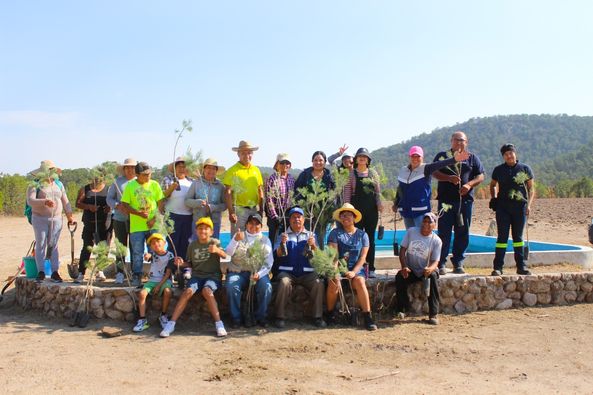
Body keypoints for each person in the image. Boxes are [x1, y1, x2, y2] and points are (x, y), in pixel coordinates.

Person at [160, 217, 228, 338]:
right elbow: (190, 264)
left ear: (211, 231)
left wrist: (217, 250)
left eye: (206, 229)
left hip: (213, 276)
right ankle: (171, 323)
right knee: (188, 292)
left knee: (207, 291)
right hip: (197, 276)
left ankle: (219, 323)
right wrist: (181, 263)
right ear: (196, 231)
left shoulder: (215, 242)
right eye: (200, 228)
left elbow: (224, 255)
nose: (203, 231)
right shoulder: (192, 245)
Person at [432, 131, 485, 275]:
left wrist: (469, 185)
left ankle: (458, 262)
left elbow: (481, 175)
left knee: (463, 232)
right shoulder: (442, 156)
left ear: (466, 143)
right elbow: (434, 172)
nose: (459, 143)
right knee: (444, 233)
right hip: (446, 202)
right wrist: (449, 178)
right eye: (457, 140)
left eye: (462, 140)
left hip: (465, 202)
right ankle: (440, 263)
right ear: (451, 141)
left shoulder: (472, 158)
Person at [326, 203, 377, 331]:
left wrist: (354, 272)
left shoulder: (362, 235)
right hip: (339, 268)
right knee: (333, 281)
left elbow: (363, 257)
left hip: (356, 269)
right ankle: (330, 314)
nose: (345, 218)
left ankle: (367, 317)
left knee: (360, 281)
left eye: (348, 215)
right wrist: (335, 271)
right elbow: (334, 256)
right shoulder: (335, 233)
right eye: (343, 215)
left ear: (354, 218)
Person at [273, 206, 326, 329]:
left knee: (318, 283)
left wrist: (313, 246)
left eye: (299, 217)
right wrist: (282, 243)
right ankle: (279, 316)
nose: (296, 219)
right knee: (284, 283)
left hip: (307, 273)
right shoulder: (283, 235)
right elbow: (278, 254)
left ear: (303, 219)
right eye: (293, 217)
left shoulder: (311, 235)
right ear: (289, 220)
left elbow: (318, 256)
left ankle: (317, 317)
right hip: (287, 272)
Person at [395, 146, 469, 229]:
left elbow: (439, 164)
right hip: (406, 211)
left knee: (422, 237)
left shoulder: (426, 168)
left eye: (418, 156)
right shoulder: (403, 170)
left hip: (421, 212)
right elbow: (400, 188)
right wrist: (396, 203)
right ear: (409, 157)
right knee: (411, 236)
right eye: (413, 156)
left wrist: (454, 159)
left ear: (422, 157)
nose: (415, 159)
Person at [489, 144, 535, 276]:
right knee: (502, 238)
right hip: (503, 208)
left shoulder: (525, 169)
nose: (509, 156)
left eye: (511, 153)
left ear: (515, 153)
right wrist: (494, 198)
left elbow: (531, 189)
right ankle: (498, 267)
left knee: (518, 238)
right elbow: (492, 185)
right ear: (503, 156)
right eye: (506, 154)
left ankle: (521, 266)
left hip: (520, 208)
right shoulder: (498, 170)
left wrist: (529, 205)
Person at [26, 160, 75, 282]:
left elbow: (65, 201)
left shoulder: (59, 184)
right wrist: (44, 202)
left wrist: (70, 216)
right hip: (40, 218)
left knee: (53, 244)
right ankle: (41, 271)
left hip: (57, 218)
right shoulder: (34, 184)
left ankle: (55, 272)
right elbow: (30, 201)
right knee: (41, 243)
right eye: (49, 170)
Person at [120, 162, 165, 286]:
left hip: (153, 224)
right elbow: (125, 204)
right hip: (137, 226)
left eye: (149, 174)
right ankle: (137, 276)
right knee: (137, 252)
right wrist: (138, 213)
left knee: (156, 250)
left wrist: (154, 219)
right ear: (137, 174)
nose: (148, 176)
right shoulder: (130, 186)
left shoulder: (155, 185)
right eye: (145, 175)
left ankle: (157, 274)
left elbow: (161, 203)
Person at [225, 213, 273, 328]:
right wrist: (235, 240)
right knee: (231, 286)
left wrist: (259, 274)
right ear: (246, 224)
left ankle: (260, 316)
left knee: (266, 287)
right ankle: (236, 318)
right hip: (238, 271)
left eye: (257, 224)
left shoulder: (265, 240)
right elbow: (228, 253)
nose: (254, 226)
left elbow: (269, 262)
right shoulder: (239, 235)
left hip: (257, 273)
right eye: (251, 223)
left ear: (261, 226)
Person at [395, 212, 442, 325]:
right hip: (411, 269)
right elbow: (402, 250)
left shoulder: (436, 240)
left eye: (429, 222)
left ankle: (433, 314)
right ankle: (402, 309)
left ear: (434, 225)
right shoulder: (412, 231)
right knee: (399, 277)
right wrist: (404, 266)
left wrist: (430, 269)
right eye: (424, 221)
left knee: (434, 277)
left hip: (425, 271)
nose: (426, 224)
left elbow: (436, 261)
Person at [343, 148, 383, 278]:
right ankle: (356, 268)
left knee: (370, 238)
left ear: (368, 160)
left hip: (371, 211)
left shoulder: (373, 174)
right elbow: (348, 193)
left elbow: (377, 192)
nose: (362, 158)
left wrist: (379, 204)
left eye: (364, 156)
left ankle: (371, 268)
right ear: (356, 159)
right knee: (356, 240)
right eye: (360, 156)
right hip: (356, 211)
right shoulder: (351, 174)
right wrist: (347, 209)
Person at [133, 233, 174, 332]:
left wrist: (159, 286)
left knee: (167, 291)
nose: (156, 244)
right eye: (153, 243)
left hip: (164, 281)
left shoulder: (170, 255)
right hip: (152, 281)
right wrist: (147, 256)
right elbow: (149, 256)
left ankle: (163, 315)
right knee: (142, 293)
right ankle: (142, 320)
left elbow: (168, 273)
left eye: (158, 242)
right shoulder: (153, 254)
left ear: (164, 243)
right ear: (150, 246)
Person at [294, 151, 336, 246]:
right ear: (312, 161)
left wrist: (330, 211)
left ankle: (318, 260)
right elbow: (297, 191)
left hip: (322, 213)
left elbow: (334, 194)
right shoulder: (305, 174)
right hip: (307, 212)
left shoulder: (329, 176)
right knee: (305, 237)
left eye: (321, 160)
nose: (318, 162)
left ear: (325, 162)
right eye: (315, 160)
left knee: (320, 238)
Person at [75, 173, 111, 283]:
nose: (97, 179)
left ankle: (100, 271)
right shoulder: (85, 189)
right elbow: (78, 203)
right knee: (87, 247)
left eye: (100, 177)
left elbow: (114, 203)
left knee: (103, 248)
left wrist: (108, 208)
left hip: (104, 224)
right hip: (89, 223)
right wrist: (88, 207)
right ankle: (81, 272)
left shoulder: (109, 189)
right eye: (95, 177)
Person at [223, 140, 264, 235]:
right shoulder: (232, 170)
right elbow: (228, 192)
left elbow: (260, 190)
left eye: (249, 153)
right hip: (239, 210)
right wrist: (231, 212)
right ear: (238, 154)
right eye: (243, 153)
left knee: (253, 237)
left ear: (252, 154)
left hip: (253, 210)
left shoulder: (256, 170)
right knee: (238, 238)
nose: (246, 155)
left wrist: (261, 210)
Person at [106, 158, 137, 284]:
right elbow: (109, 198)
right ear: (124, 169)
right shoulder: (117, 182)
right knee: (120, 247)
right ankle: (120, 272)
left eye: (132, 167)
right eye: (127, 167)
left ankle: (135, 272)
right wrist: (118, 205)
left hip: (135, 220)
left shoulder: (139, 182)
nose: (130, 170)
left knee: (135, 247)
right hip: (119, 219)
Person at [185, 158, 226, 239]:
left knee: (213, 246)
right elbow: (187, 201)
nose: (211, 170)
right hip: (198, 222)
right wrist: (198, 203)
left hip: (214, 222)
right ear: (204, 169)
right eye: (208, 168)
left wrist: (213, 207)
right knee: (197, 247)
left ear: (216, 171)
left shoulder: (220, 186)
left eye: (214, 168)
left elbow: (225, 205)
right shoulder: (196, 183)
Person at [161, 157, 193, 259]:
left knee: (185, 242)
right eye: (179, 167)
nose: (181, 169)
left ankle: (183, 267)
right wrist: (172, 187)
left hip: (188, 216)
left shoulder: (191, 181)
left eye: (183, 167)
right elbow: (162, 196)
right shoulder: (168, 179)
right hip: (172, 215)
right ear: (175, 168)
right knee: (172, 243)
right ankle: (171, 268)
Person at [264, 153, 295, 247]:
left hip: (287, 214)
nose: (285, 165)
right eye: (282, 163)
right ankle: (272, 260)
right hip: (275, 215)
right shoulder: (272, 179)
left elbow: (293, 197)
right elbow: (269, 199)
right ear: (277, 164)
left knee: (285, 240)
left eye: (287, 163)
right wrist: (275, 216)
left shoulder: (291, 179)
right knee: (273, 239)